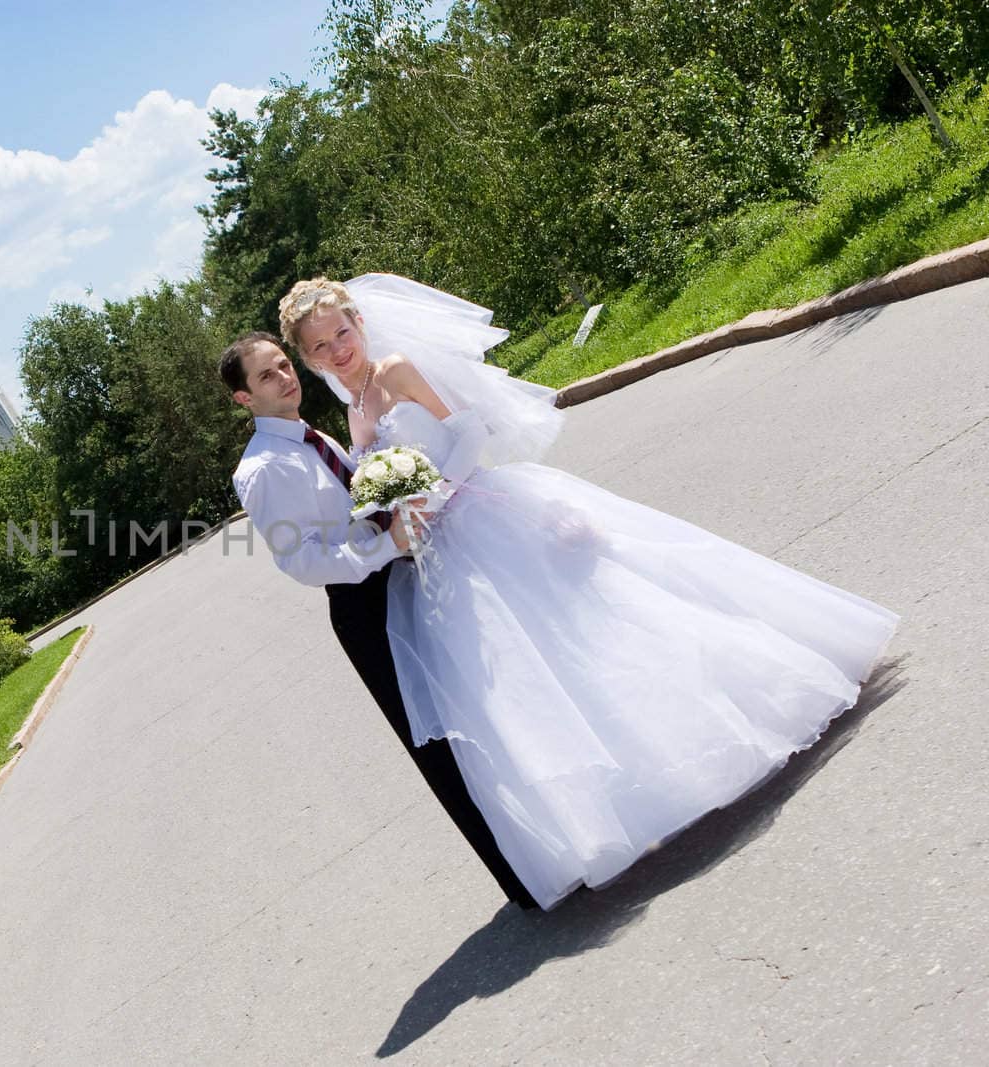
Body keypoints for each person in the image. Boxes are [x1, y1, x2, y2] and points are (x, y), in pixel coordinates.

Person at [277, 274, 901, 911]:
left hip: (484, 516)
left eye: (342, 333)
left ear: (360, 323)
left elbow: (467, 435)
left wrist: (434, 495)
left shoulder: (398, 369)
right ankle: (627, 793)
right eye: (320, 346)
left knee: (598, 624)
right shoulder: (351, 411)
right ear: (307, 358)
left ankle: (737, 710)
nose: (336, 350)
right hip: (441, 556)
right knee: (531, 678)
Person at [221, 331, 541, 910]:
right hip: (363, 606)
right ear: (244, 399)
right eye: (265, 376)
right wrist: (384, 546)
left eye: (283, 365)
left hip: (403, 581)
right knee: (437, 742)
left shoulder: (312, 437)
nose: (285, 378)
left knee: (471, 709)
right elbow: (301, 560)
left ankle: (541, 838)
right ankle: (523, 878)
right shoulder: (264, 469)